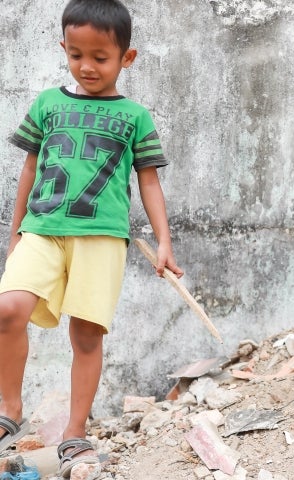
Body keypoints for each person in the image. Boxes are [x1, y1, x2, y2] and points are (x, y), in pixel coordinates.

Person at [0, 0, 183, 477]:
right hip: (41, 228)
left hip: (101, 238)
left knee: (86, 333)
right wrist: (15, 230)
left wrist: (163, 241)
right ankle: (10, 407)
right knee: (7, 309)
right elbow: (29, 167)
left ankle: (74, 431)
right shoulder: (47, 103)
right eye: (76, 54)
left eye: (100, 57)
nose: (87, 66)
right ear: (63, 48)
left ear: (127, 58)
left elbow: (148, 181)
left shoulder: (135, 116)